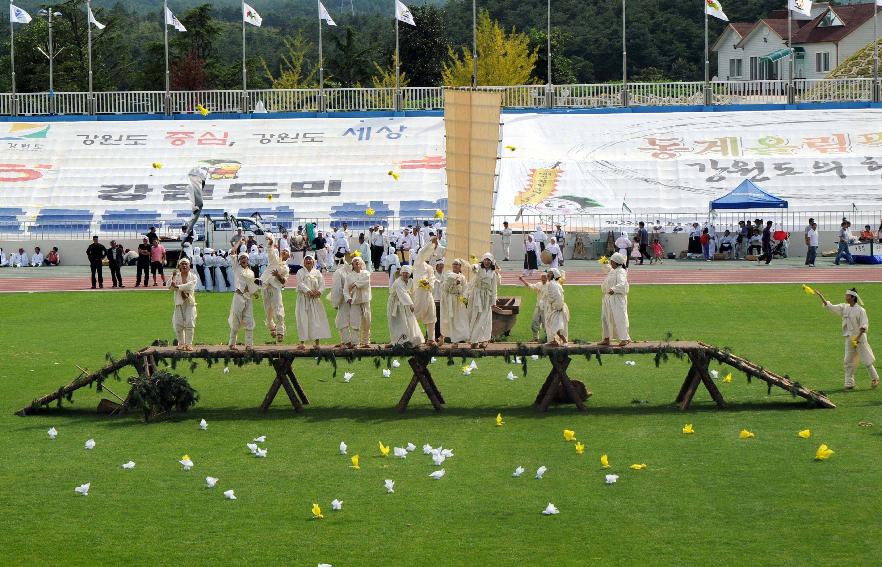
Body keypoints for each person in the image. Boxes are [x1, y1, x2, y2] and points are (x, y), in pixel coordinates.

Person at [816, 288, 879, 390]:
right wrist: (821, 296)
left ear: (853, 297)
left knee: (866, 359)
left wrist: (857, 338)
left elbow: (864, 325)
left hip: (859, 338)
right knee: (848, 361)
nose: (845, 297)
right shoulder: (844, 307)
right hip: (849, 338)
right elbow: (831, 307)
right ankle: (849, 383)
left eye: (847, 296)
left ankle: (875, 378)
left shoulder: (861, 310)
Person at [228, 238, 260, 349]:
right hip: (238, 297)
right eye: (241, 258)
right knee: (236, 320)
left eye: (245, 258)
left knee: (249, 320)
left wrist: (255, 293)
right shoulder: (236, 268)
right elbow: (233, 252)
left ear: (248, 259)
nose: (243, 260)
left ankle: (249, 345)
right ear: (239, 260)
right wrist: (239, 242)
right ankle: (232, 344)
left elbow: (252, 285)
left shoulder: (251, 272)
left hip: (248, 298)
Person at [295, 255, 331, 348]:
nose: (308, 260)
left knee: (316, 320)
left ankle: (317, 343)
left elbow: (322, 284)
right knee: (302, 319)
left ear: (313, 261)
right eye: (306, 259)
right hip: (303, 299)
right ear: (303, 262)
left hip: (315, 300)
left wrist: (319, 291)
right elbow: (300, 283)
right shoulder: (300, 272)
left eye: (310, 259)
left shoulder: (317, 272)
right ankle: (302, 343)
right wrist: (308, 291)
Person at [466, 253, 501, 348]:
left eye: (489, 260)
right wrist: (474, 265)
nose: (486, 262)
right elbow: (474, 268)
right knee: (474, 317)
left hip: (486, 298)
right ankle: (473, 340)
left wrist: (493, 302)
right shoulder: (479, 269)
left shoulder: (493, 274)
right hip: (476, 296)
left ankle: (483, 340)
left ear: (491, 262)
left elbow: (494, 288)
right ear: (482, 260)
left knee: (484, 320)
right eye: (485, 260)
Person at [262, 234, 290, 343]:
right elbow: (271, 252)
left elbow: (284, 282)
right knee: (268, 310)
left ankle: (280, 331)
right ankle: (272, 327)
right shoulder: (274, 260)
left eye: (286, 252)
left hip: (275, 288)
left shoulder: (286, 268)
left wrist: (278, 275)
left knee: (278, 310)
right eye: (283, 251)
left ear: (289, 256)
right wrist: (270, 243)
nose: (284, 252)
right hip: (265, 287)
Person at [387, 265, 424, 346]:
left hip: (405, 304)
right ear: (401, 273)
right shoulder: (398, 282)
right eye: (403, 273)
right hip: (395, 304)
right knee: (396, 323)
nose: (405, 274)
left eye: (407, 273)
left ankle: (410, 339)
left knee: (408, 320)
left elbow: (413, 293)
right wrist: (411, 304)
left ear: (409, 274)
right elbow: (403, 293)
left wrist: (413, 303)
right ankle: (395, 341)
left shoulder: (411, 281)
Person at [599, 252, 630, 346]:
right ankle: (606, 338)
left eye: (612, 262)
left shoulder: (621, 271)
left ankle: (625, 338)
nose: (611, 263)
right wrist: (604, 262)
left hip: (617, 299)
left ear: (616, 262)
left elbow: (622, 284)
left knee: (620, 318)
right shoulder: (614, 270)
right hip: (608, 298)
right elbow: (608, 269)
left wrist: (614, 289)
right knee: (605, 318)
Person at [410, 243, 439, 344]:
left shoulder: (429, 267)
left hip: (428, 293)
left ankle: (431, 339)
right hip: (419, 293)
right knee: (416, 315)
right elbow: (423, 251)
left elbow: (432, 279)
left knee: (431, 315)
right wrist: (431, 242)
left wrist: (429, 284)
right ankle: (412, 338)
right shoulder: (417, 262)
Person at [343, 256, 372, 346]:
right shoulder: (349, 276)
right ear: (352, 265)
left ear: (361, 263)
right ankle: (355, 342)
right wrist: (348, 298)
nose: (356, 262)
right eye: (354, 261)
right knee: (355, 322)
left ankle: (366, 341)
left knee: (367, 321)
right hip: (355, 301)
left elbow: (365, 282)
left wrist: (355, 284)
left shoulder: (366, 273)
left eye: (358, 261)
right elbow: (346, 289)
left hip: (365, 300)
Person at [169, 258, 198, 351]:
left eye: (186, 264)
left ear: (189, 266)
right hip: (178, 303)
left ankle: (189, 344)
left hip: (190, 303)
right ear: (179, 266)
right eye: (182, 264)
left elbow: (190, 286)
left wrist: (177, 287)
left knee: (190, 323)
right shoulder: (176, 276)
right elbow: (169, 286)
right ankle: (181, 343)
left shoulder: (193, 276)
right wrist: (173, 278)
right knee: (178, 323)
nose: (184, 266)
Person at [440, 258, 469, 344]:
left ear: (460, 267)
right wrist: (454, 282)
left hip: (459, 300)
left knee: (459, 319)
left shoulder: (463, 277)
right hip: (450, 300)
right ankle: (444, 337)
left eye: (457, 264)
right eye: (454, 264)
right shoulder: (447, 275)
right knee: (448, 320)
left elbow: (465, 289)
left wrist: (464, 299)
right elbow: (444, 288)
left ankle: (458, 339)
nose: (455, 266)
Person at [519, 273, 548, 342]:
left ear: (547, 278)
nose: (543, 279)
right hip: (538, 307)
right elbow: (530, 286)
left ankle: (549, 338)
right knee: (534, 322)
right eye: (542, 277)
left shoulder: (550, 285)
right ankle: (535, 338)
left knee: (546, 324)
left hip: (546, 308)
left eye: (544, 277)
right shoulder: (539, 284)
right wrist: (522, 280)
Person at [544, 268, 569, 346]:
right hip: (553, 307)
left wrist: (557, 307)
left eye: (550, 273)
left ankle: (564, 341)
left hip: (556, 308)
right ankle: (553, 341)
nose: (548, 274)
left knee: (556, 326)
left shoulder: (552, 284)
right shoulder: (553, 283)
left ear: (554, 275)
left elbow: (558, 296)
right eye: (548, 273)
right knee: (551, 325)